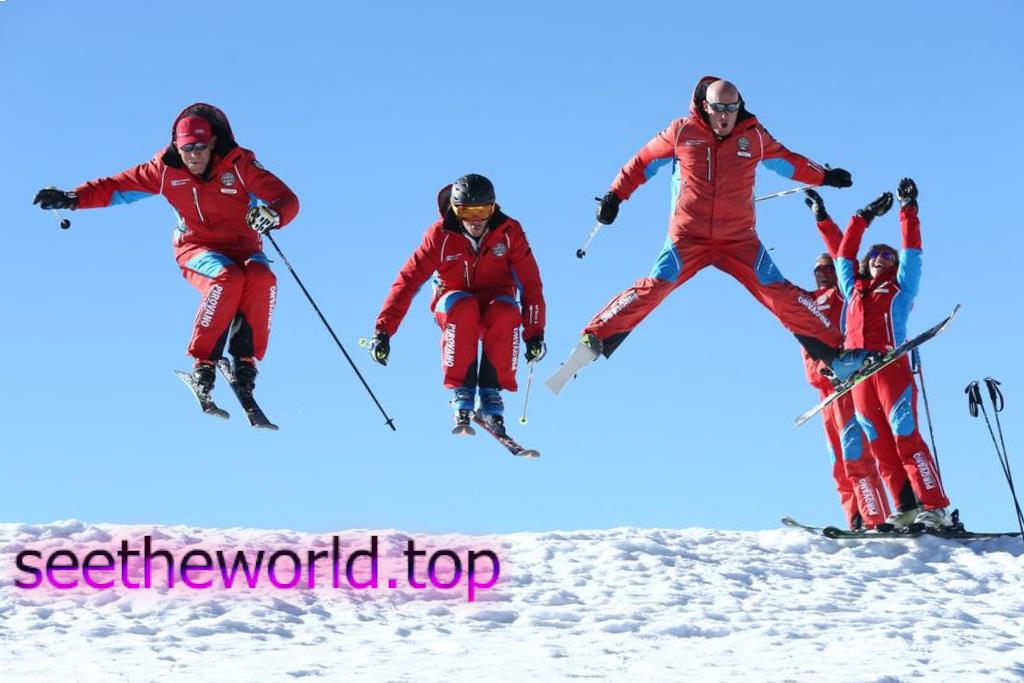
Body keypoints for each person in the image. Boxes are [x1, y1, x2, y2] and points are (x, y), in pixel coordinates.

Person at [549, 76, 869, 391]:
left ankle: (835, 357)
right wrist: (614, 196)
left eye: (732, 108)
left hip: (738, 239)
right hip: (688, 238)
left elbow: (787, 161)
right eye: (720, 109)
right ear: (706, 106)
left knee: (778, 292)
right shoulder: (682, 131)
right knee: (657, 286)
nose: (726, 116)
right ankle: (594, 338)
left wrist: (824, 176)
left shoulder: (753, 135)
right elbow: (643, 161)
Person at [33, 103, 299, 402]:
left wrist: (274, 214)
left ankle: (245, 363)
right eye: (187, 149)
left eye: (200, 147)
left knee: (262, 278)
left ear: (212, 142)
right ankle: (204, 362)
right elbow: (115, 187)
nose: (194, 155)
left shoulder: (239, 164)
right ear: (177, 146)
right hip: (197, 247)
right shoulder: (164, 169)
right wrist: (71, 198)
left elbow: (286, 199)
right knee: (228, 278)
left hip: (245, 247)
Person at [371, 174, 546, 433]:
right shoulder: (439, 236)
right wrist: (383, 331)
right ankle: (462, 390)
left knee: (507, 311)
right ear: (455, 211)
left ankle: (490, 394)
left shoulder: (509, 233)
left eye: (482, 211)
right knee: (464, 306)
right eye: (466, 212)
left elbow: (530, 284)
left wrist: (534, 334)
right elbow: (407, 281)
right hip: (453, 303)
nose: (475, 220)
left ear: (493, 208)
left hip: (495, 304)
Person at [833, 178, 953, 529]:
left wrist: (907, 209)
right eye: (875, 255)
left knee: (905, 437)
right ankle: (906, 507)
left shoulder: (901, 287)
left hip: (891, 366)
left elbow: (912, 251)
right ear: (866, 263)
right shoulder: (853, 289)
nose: (881, 259)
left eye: (888, 256)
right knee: (879, 443)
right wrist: (862, 217)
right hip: (860, 374)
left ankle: (935, 506)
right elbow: (843, 255)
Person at [801, 191, 892, 530]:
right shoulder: (806, 301)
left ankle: (875, 515)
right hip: (823, 391)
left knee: (856, 451)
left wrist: (822, 218)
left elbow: (842, 251)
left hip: (846, 380)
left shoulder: (843, 293)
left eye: (827, 268)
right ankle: (855, 517)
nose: (822, 273)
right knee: (838, 459)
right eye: (817, 269)